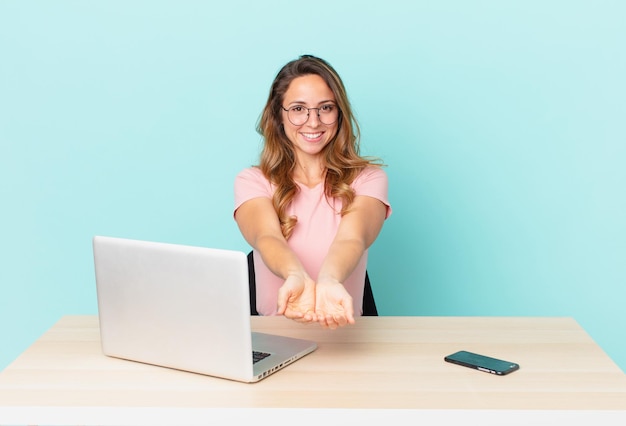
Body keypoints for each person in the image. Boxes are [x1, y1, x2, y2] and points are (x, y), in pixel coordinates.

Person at [233, 55, 391, 329]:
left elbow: (352, 238)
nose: (313, 121)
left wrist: (329, 280)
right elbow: (266, 236)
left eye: (325, 108)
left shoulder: (368, 179)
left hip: (346, 338)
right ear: (278, 115)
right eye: (298, 109)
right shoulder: (253, 180)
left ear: (339, 113)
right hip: (272, 337)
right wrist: (295, 275)